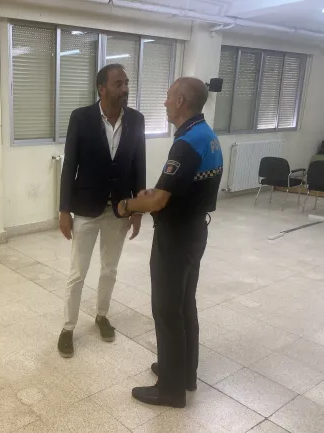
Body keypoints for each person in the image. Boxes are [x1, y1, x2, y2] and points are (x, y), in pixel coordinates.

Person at [117, 77, 223, 408]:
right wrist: (154, 195)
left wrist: (128, 205)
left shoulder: (187, 143)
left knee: (166, 310)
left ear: (180, 101)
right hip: (194, 232)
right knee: (184, 304)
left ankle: (170, 390)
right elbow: (176, 189)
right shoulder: (207, 136)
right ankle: (184, 372)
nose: (164, 103)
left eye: (168, 97)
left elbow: (160, 200)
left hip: (176, 238)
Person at [57, 64, 146, 358]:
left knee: (110, 269)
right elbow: (70, 166)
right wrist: (64, 210)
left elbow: (139, 165)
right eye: (119, 83)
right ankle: (68, 327)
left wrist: (137, 209)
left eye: (126, 83)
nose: (125, 88)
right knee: (77, 272)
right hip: (86, 207)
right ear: (102, 88)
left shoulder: (136, 120)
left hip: (119, 209)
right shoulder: (81, 118)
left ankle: (102, 315)